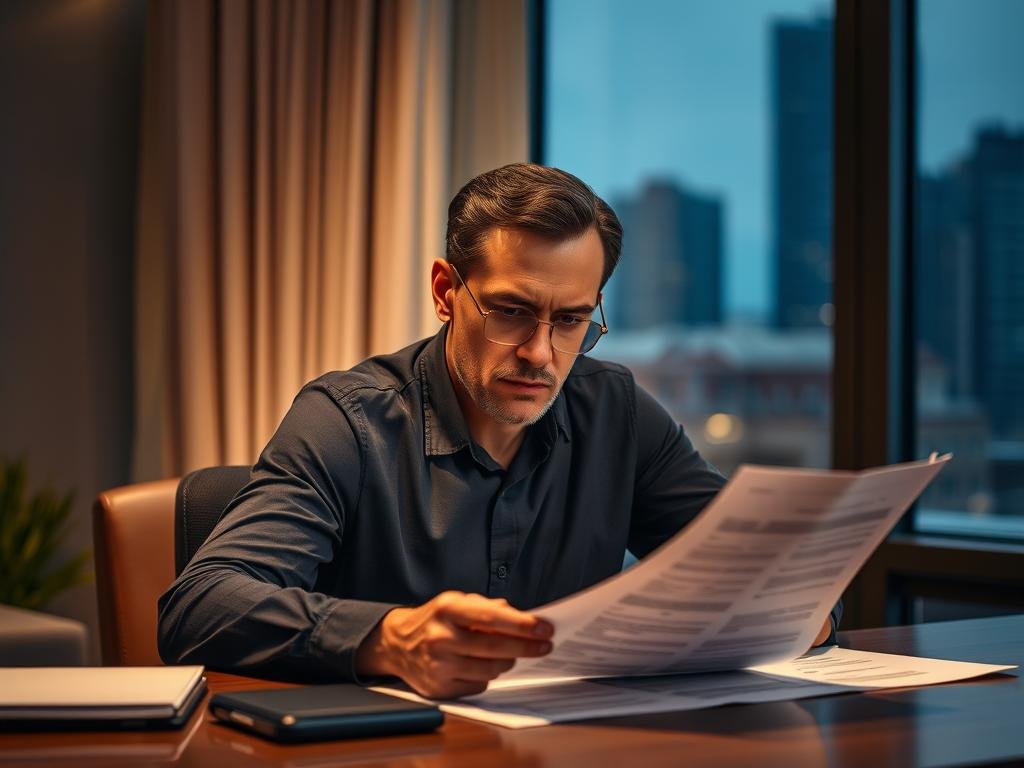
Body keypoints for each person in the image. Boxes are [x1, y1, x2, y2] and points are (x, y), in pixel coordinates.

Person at [158, 163, 839, 699]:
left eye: (571, 320)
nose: (541, 354)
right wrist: (389, 638)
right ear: (445, 291)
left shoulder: (618, 413)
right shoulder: (346, 419)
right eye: (512, 311)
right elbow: (199, 606)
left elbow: (763, 578)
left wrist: (800, 610)